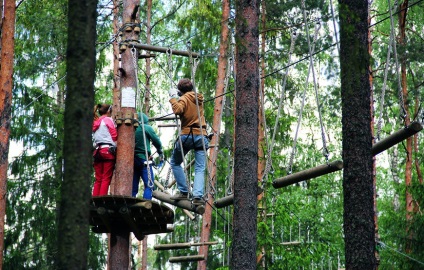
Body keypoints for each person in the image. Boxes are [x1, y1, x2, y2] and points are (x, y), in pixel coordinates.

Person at [168, 78, 209, 206]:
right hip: (201, 135)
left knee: (175, 162)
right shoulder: (198, 99)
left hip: (187, 135)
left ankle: (184, 192)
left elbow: (178, 110)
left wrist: (174, 98)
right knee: (200, 168)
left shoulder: (184, 99)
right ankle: (197, 196)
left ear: (180, 91)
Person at [133, 112, 163, 199]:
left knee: (133, 187)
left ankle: (130, 203)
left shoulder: (131, 128)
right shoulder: (145, 127)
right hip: (143, 159)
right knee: (149, 185)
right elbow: (156, 141)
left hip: (133, 160)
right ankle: (146, 202)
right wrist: (160, 151)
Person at [92, 104, 117, 196]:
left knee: (98, 178)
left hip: (97, 151)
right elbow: (114, 135)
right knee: (106, 177)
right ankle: (102, 199)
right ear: (108, 111)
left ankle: (95, 199)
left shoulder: (96, 122)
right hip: (107, 151)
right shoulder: (107, 120)